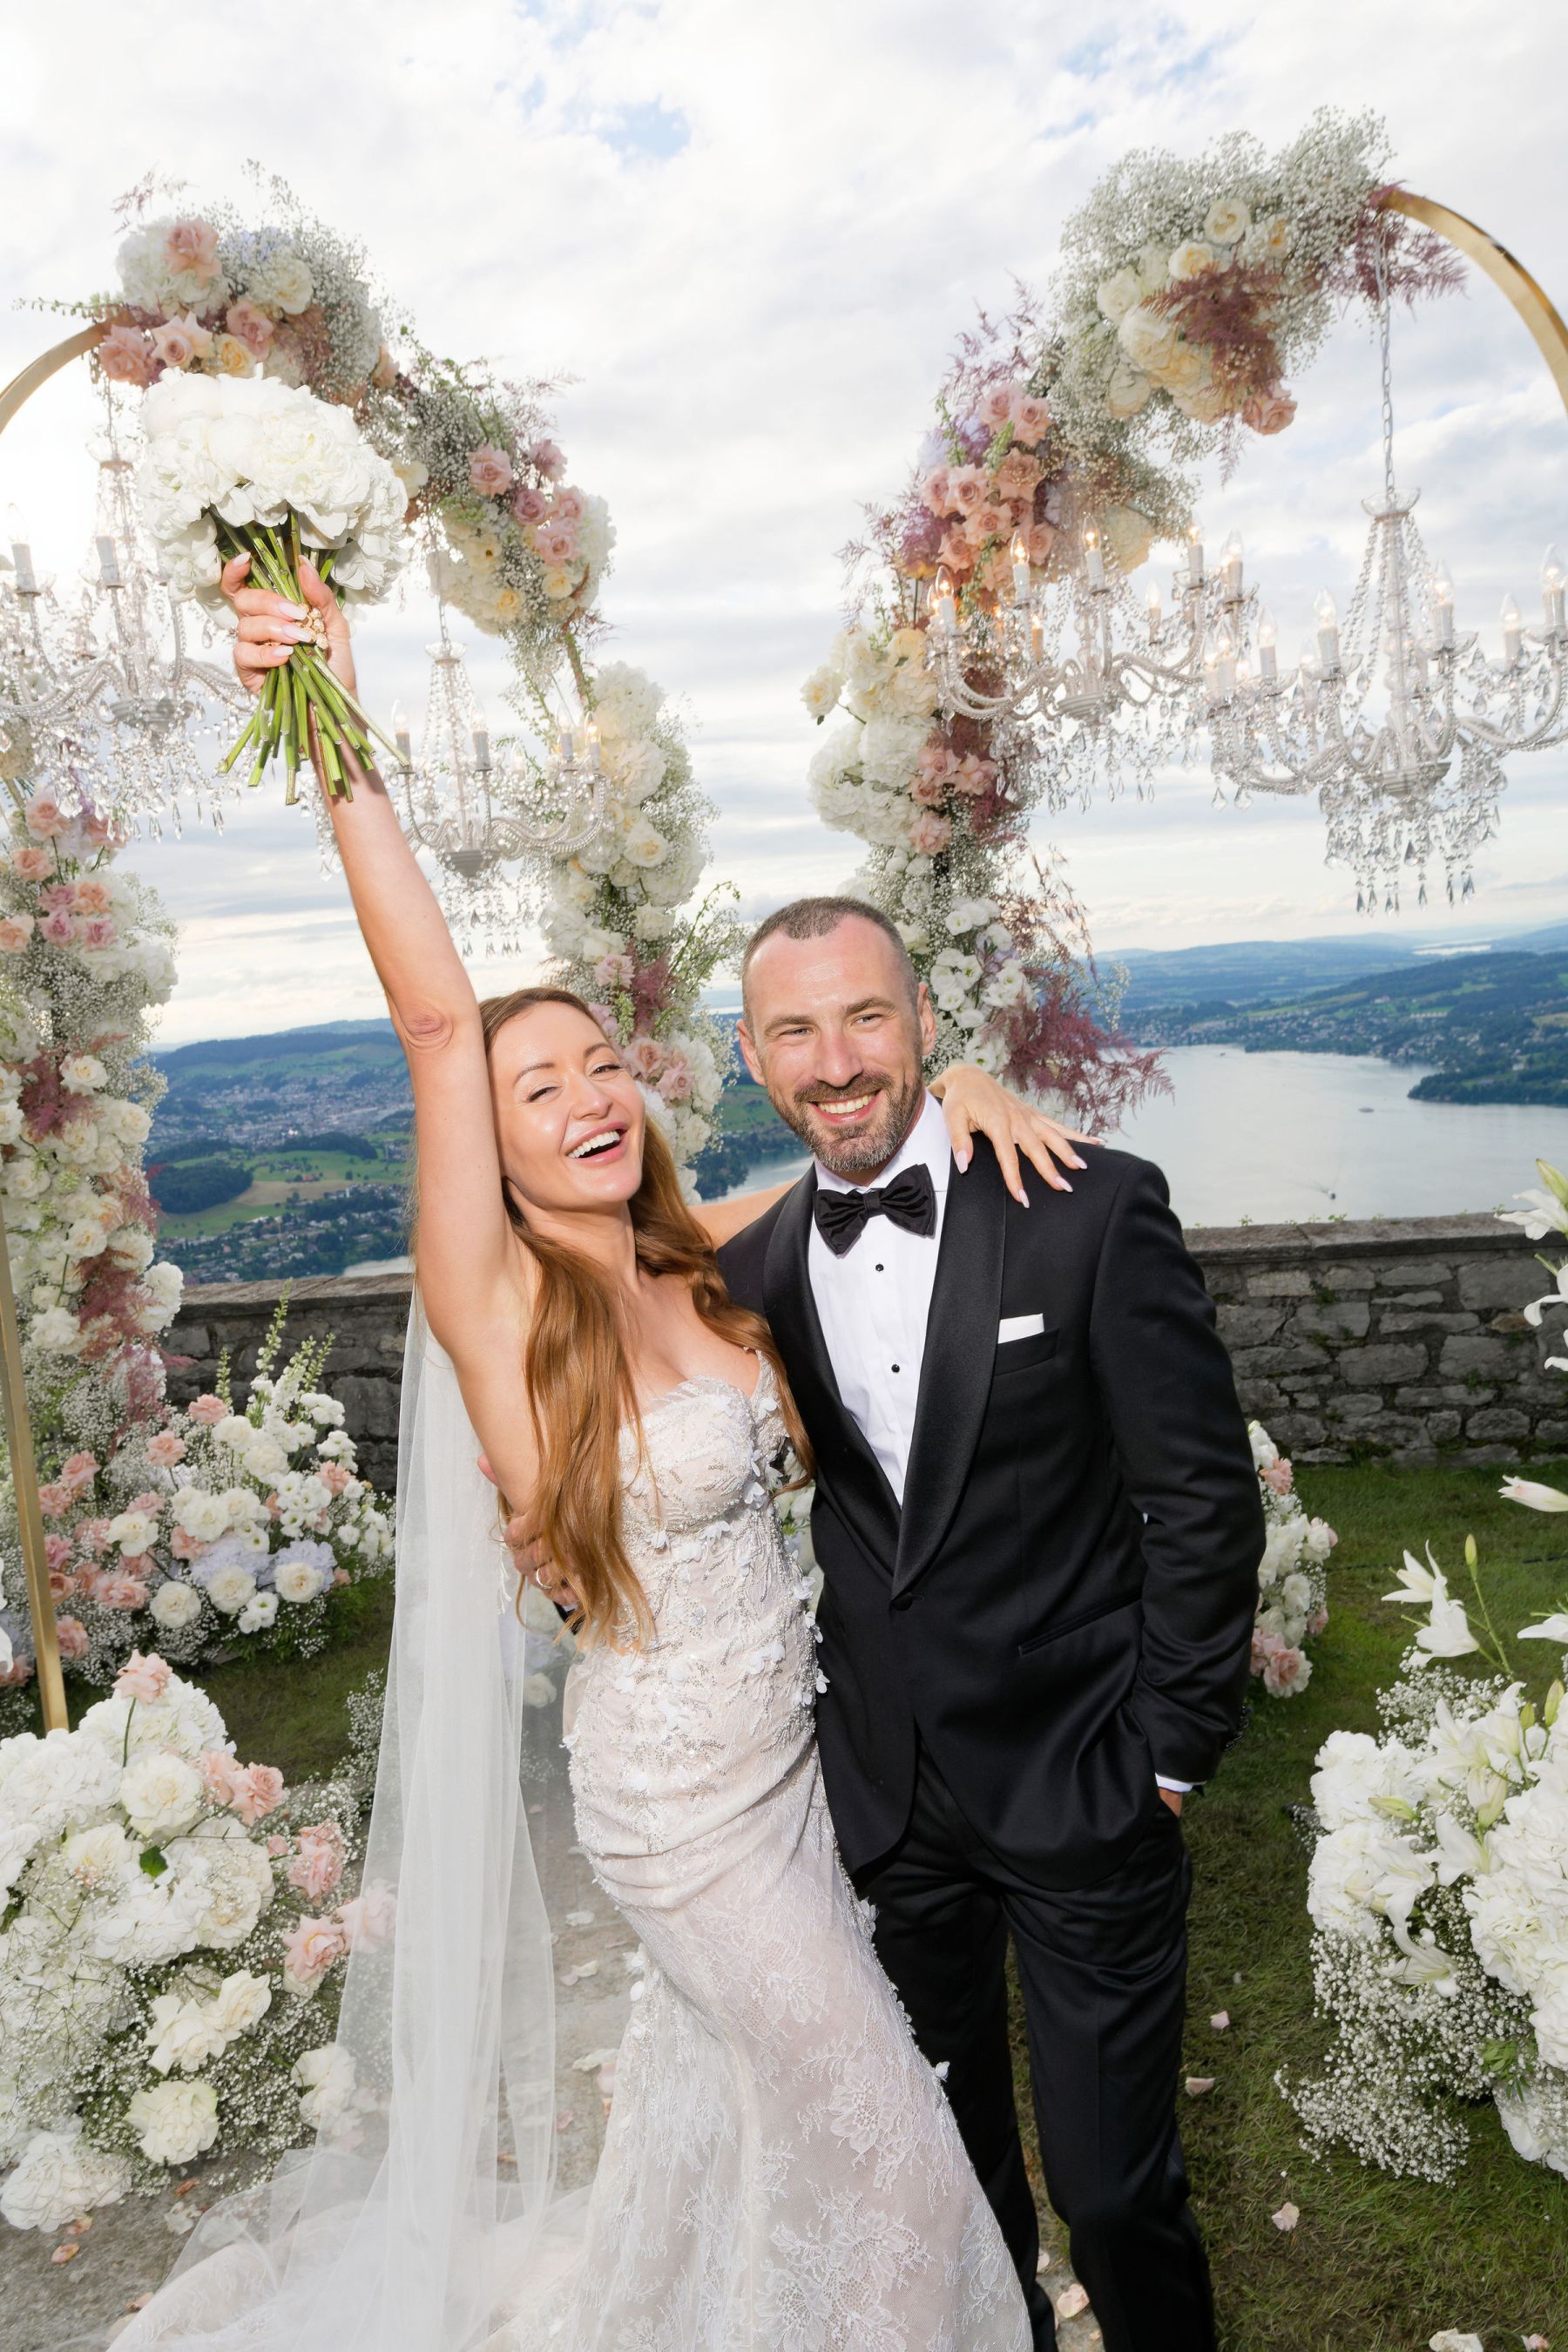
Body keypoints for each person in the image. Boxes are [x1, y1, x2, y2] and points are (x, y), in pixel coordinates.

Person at [101, 559, 1088, 2352]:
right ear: (484, 1146)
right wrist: (335, 732)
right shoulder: (491, 1300)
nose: (584, 1098)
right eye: (535, 1087)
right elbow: (431, 1018)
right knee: (894, 2152)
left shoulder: (696, 1263)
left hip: (800, 1775)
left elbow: (857, 1167)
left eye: (598, 1065)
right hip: (680, 1809)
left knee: (759, 2132)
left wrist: (962, 1090)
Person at [711, 897, 1267, 2352]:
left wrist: (1168, 1751)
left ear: (924, 1021)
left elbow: (1201, 1498)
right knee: (951, 2186)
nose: (837, 1061)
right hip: (888, 1807)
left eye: (866, 1016)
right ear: (753, 1058)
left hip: (1087, 1777)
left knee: (1116, 2192)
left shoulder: (1088, 1210)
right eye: (795, 1031)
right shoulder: (750, 1270)